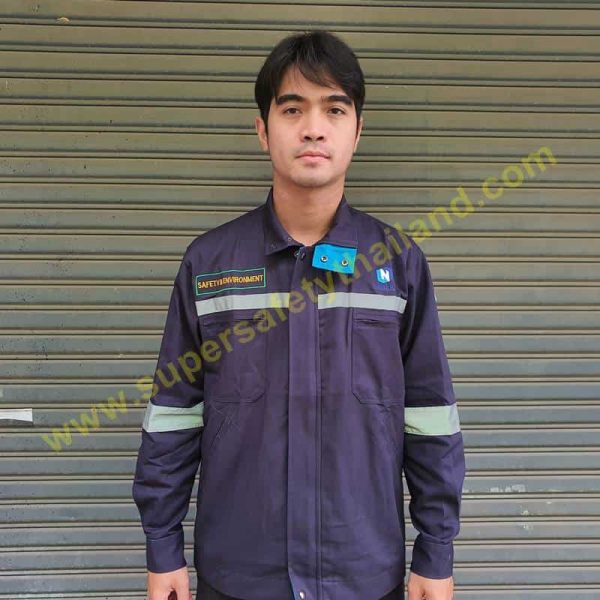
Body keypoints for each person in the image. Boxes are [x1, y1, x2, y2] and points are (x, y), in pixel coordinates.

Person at [132, 29, 465, 600]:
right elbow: (173, 418)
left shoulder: (398, 264)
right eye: (292, 109)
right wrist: (163, 548)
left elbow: (431, 419)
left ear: (357, 131)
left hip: (362, 573)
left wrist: (435, 553)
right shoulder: (209, 265)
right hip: (240, 574)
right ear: (263, 130)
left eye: (334, 109)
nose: (313, 128)